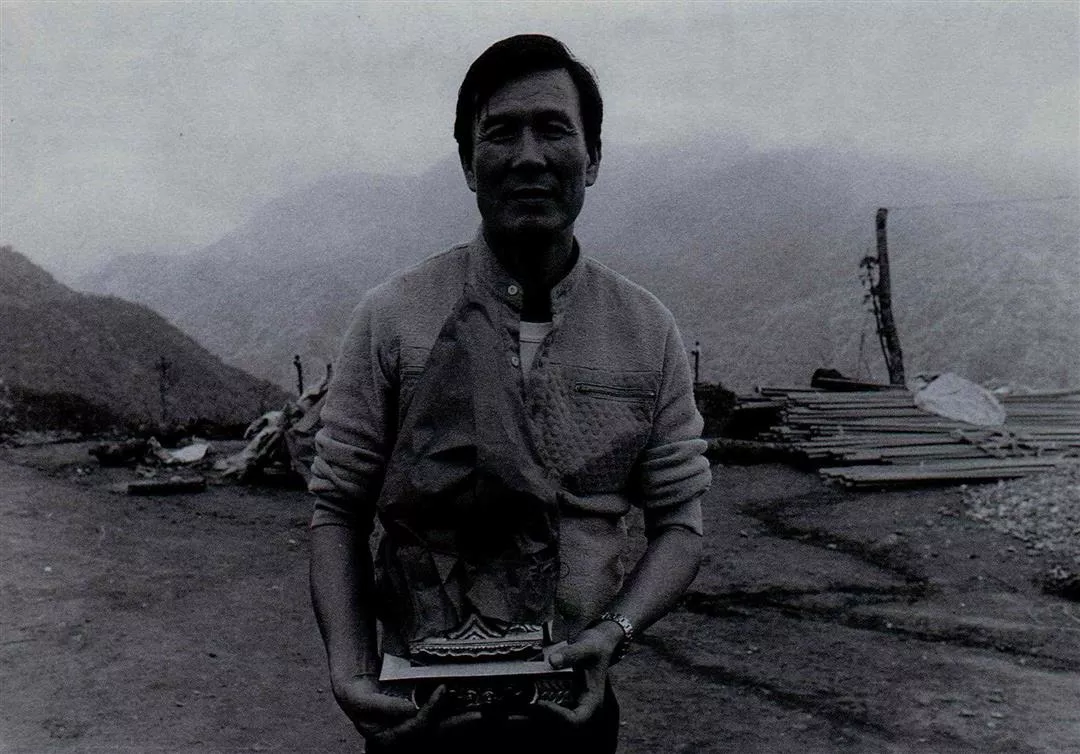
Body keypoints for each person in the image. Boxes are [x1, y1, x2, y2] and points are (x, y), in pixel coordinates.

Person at [309, 34, 711, 753]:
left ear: (593, 156)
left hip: (571, 707)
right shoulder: (392, 318)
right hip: (418, 713)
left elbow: (681, 522)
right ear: (469, 163)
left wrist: (614, 632)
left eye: (554, 129)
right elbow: (338, 508)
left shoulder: (647, 331)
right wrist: (349, 669)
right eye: (501, 132)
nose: (529, 156)